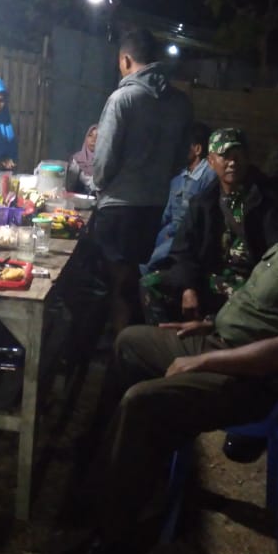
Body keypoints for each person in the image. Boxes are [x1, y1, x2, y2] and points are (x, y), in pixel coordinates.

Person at [41, 143, 278, 554]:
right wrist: (210, 325)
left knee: (143, 401)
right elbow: (265, 311)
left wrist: (205, 361)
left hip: (260, 382)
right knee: (130, 342)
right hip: (223, 343)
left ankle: (110, 541)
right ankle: (110, 470)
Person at [92, 28, 193, 336]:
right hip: (156, 208)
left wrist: (100, 185)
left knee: (116, 288)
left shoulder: (123, 99)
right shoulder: (181, 103)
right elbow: (181, 157)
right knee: (139, 283)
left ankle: (119, 351)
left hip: (118, 209)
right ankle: (139, 344)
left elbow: (103, 161)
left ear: (126, 60)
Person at [139, 127, 278, 324]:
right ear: (211, 161)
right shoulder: (204, 202)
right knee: (150, 284)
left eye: (238, 155)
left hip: (252, 282)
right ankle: (170, 338)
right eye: (225, 156)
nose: (232, 162)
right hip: (212, 277)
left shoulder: (266, 199)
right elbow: (183, 251)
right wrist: (188, 287)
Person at [140, 121, 218, 275]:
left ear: (197, 149)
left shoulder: (209, 176)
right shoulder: (178, 179)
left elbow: (203, 218)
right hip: (169, 233)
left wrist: (175, 233)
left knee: (148, 265)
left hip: (188, 237)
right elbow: (168, 214)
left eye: (184, 145)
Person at [67, 124, 98, 195]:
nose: (93, 140)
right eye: (90, 135)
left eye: (97, 137)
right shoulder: (77, 159)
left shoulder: (106, 162)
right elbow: (70, 187)